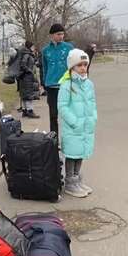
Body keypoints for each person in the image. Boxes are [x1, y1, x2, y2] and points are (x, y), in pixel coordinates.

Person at [58, 49, 97, 198]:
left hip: (86, 125)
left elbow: (92, 103)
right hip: (73, 127)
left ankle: (77, 180)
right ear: (72, 67)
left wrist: (93, 117)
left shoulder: (89, 84)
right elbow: (62, 106)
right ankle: (70, 182)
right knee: (72, 155)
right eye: (79, 65)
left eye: (85, 64)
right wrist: (74, 121)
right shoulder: (67, 85)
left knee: (80, 153)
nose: (83, 68)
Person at [41, 23, 74, 136]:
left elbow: (74, 66)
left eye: (62, 34)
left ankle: (68, 138)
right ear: (52, 35)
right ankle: (53, 140)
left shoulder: (69, 47)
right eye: (58, 34)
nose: (61, 36)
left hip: (65, 86)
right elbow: (44, 68)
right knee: (53, 115)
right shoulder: (45, 50)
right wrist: (44, 83)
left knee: (67, 114)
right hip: (51, 86)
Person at [17, 41, 41, 118]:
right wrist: (29, 71)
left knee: (25, 95)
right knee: (29, 95)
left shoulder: (25, 54)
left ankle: (25, 111)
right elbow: (23, 65)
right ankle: (30, 111)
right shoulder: (27, 55)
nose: (34, 48)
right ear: (29, 46)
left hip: (23, 77)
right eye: (33, 46)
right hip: (26, 78)